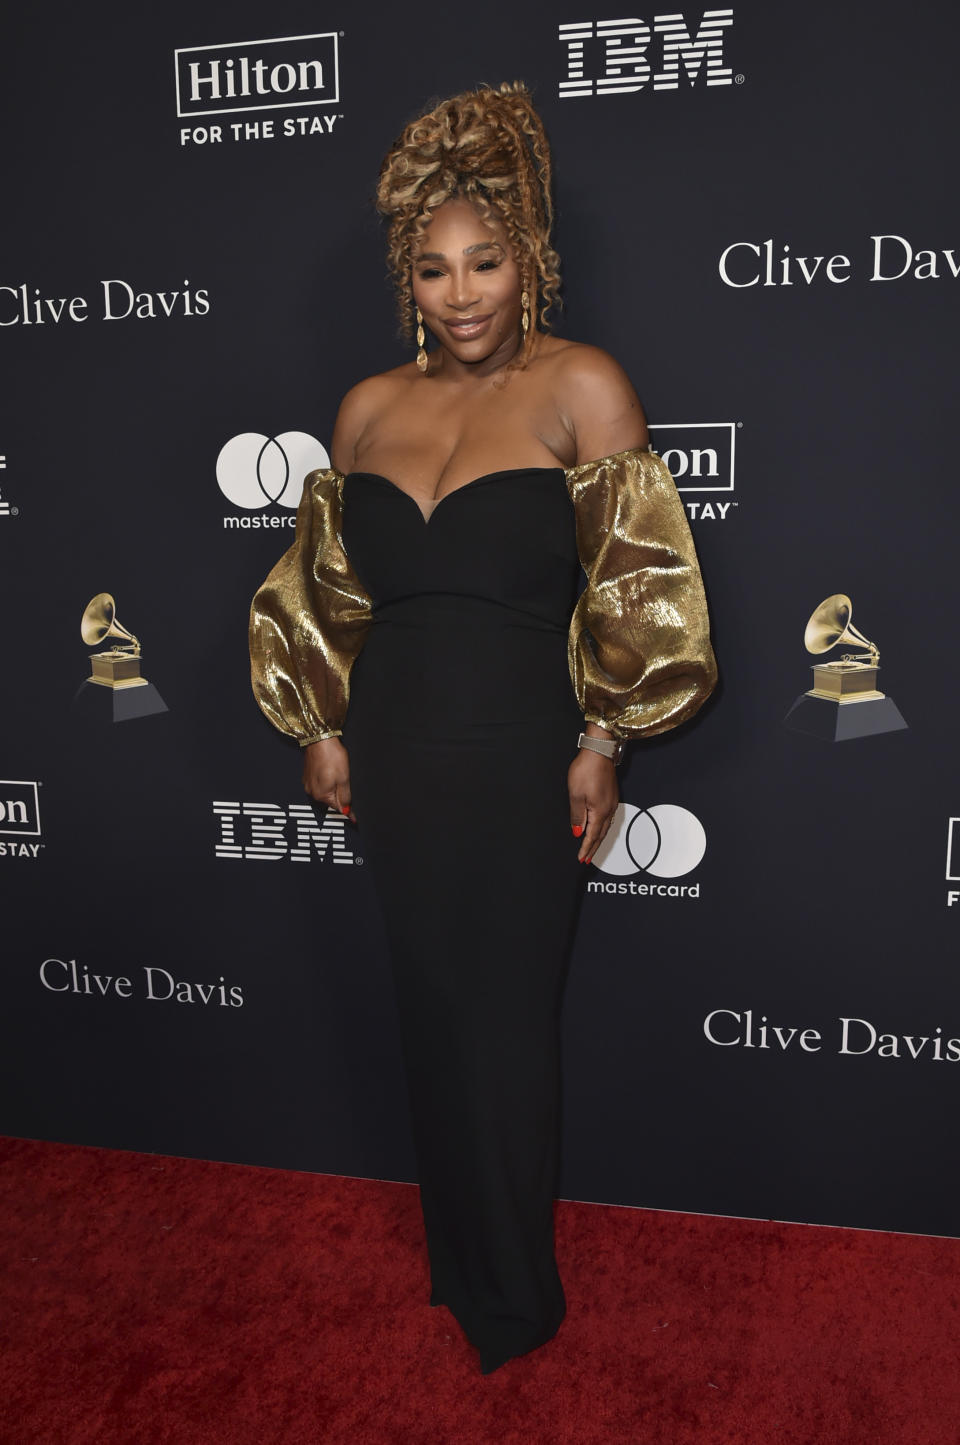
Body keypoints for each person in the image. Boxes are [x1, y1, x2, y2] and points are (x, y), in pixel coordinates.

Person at [249, 80, 717, 1375]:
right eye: (436, 267)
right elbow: (328, 596)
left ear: (529, 261)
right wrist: (323, 724)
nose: (462, 294)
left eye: (487, 262)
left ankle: (517, 1292)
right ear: (408, 274)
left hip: (519, 754)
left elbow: (639, 586)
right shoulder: (363, 410)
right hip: (395, 749)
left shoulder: (582, 388)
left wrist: (605, 739)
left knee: (507, 1024)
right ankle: (460, 1260)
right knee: (431, 1007)